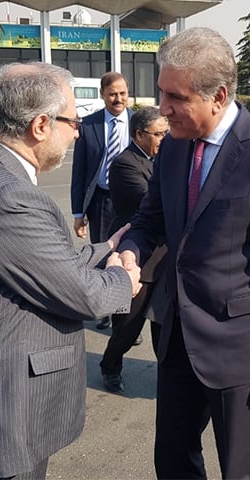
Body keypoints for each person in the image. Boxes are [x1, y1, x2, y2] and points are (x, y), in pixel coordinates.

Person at [118, 27, 250, 479]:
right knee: (171, 459)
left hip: (239, 349)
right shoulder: (171, 145)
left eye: (176, 97)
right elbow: (150, 218)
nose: (163, 108)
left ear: (219, 96)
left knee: (239, 469)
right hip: (176, 339)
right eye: (161, 93)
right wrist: (130, 251)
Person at [0, 62, 141, 480]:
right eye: (73, 121)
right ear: (41, 125)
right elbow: (83, 296)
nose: (78, 131)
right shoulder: (9, 196)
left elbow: (39, 267)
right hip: (0, 414)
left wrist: (105, 248)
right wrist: (123, 280)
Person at [100, 106, 169, 395]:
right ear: (139, 134)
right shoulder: (125, 164)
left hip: (165, 257)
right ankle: (110, 366)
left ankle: (167, 375)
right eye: (158, 134)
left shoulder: (163, 159)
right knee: (127, 327)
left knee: (164, 326)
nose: (164, 139)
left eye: (167, 133)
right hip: (137, 259)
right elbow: (150, 203)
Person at [70, 72, 133, 330]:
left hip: (133, 201)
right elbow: (79, 171)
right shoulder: (89, 125)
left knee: (128, 254)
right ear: (102, 95)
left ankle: (125, 318)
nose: (118, 99)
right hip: (101, 201)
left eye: (123, 93)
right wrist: (78, 213)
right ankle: (105, 309)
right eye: (113, 94)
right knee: (104, 253)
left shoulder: (139, 121)